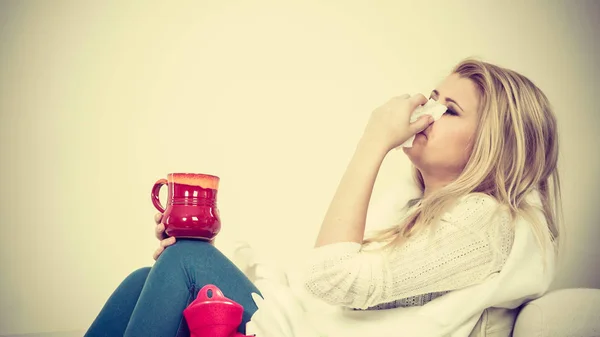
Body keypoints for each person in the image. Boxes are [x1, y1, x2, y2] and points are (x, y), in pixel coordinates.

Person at [84, 58, 562, 337]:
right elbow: (320, 292)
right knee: (145, 277)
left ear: (496, 144)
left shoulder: (484, 223)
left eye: (450, 109)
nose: (428, 112)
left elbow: (335, 279)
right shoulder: (411, 206)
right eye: (432, 97)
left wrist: (374, 140)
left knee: (186, 260)